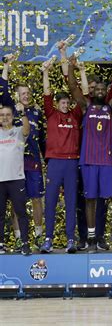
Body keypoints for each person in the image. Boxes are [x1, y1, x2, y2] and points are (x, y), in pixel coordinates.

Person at [67, 52, 112, 253]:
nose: (101, 91)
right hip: (89, 161)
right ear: (94, 92)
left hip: (108, 161)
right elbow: (73, 87)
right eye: (98, 89)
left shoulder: (110, 107)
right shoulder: (86, 106)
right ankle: (91, 238)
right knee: (90, 199)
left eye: (104, 89)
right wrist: (70, 66)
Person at [39, 58, 83, 253]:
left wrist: (78, 72)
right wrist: (45, 72)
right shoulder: (51, 114)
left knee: (71, 203)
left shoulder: (75, 115)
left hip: (71, 163)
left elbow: (82, 97)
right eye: (62, 102)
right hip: (55, 163)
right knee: (50, 202)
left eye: (67, 102)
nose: (65, 105)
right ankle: (48, 239)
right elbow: (46, 93)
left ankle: (71, 240)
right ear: (57, 104)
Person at [2, 55, 46, 251]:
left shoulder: (37, 112)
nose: (26, 96)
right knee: (15, 202)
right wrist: (6, 66)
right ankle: (20, 237)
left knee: (36, 198)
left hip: (33, 160)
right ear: (17, 95)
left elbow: (43, 138)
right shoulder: (11, 110)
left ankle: (37, 235)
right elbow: (2, 89)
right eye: (23, 93)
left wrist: (47, 160)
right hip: (14, 165)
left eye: (28, 93)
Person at [0, 103, 31, 255]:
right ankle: (0, 244)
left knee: (21, 212)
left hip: (16, 179)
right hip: (0, 181)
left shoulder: (18, 131)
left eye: (7, 115)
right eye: (2, 115)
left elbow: (27, 129)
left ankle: (25, 243)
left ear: (12, 117)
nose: (5, 117)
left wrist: (23, 113)